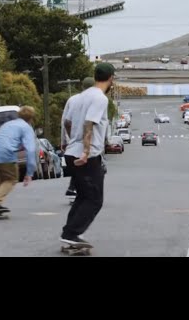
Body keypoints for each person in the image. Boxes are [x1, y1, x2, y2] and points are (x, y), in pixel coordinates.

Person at [60, 63, 115, 247]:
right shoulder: (100, 98)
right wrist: (85, 151)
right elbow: (89, 124)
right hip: (88, 156)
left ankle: (69, 232)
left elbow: (67, 122)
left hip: (71, 152)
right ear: (111, 78)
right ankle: (72, 233)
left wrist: (71, 142)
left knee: (83, 196)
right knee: (94, 199)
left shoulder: (79, 97)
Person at [0, 106, 38, 213]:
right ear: (31, 118)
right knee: (12, 178)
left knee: (4, 175)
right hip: (4, 153)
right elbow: (30, 150)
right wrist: (29, 173)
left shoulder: (8, 123)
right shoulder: (26, 127)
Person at [60, 76, 96, 199]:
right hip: (90, 142)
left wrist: (65, 140)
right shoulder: (97, 100)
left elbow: (65, 122)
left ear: (82, 87)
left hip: (74, 142)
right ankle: (78, 190)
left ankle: (73, 188)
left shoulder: (73, 100)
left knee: (79, 167)